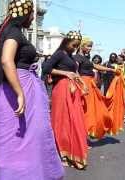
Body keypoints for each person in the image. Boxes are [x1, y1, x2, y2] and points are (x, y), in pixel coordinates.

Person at [0, 0, 64, 179]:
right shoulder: (14, 33)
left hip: (11, 88)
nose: (32, 18)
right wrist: (20, 93)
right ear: (25, 13)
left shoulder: (5, 32)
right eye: (32, 14)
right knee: (27, 138)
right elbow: (7, 61)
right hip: (19, 88)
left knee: (16, 140)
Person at [42, 30, 88, 170]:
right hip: (61, 89)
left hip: (71, 90)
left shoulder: (69, 55)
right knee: (62, 121)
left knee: (73, 120)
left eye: (77, 46)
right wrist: (65, 73)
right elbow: (46, 68)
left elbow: (75, 72)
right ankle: (60, 153)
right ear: (67, 42)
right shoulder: (59, 54)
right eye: (74, 45)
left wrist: (81, 83)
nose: (75, 48)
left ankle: (71, 152)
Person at [74, 37, 116, 139]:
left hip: (90, 84)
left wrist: (110, 69)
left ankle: (89, 132)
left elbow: (96, 66)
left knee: (95, 108)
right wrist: (82, 84)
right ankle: (82, 137)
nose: (90, 48)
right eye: (88, 46)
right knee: (85, 111)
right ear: (81, 46)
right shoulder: (77, 57)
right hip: (84, 84)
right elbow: (75, 71)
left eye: (90, 46)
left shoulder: (86, 58)